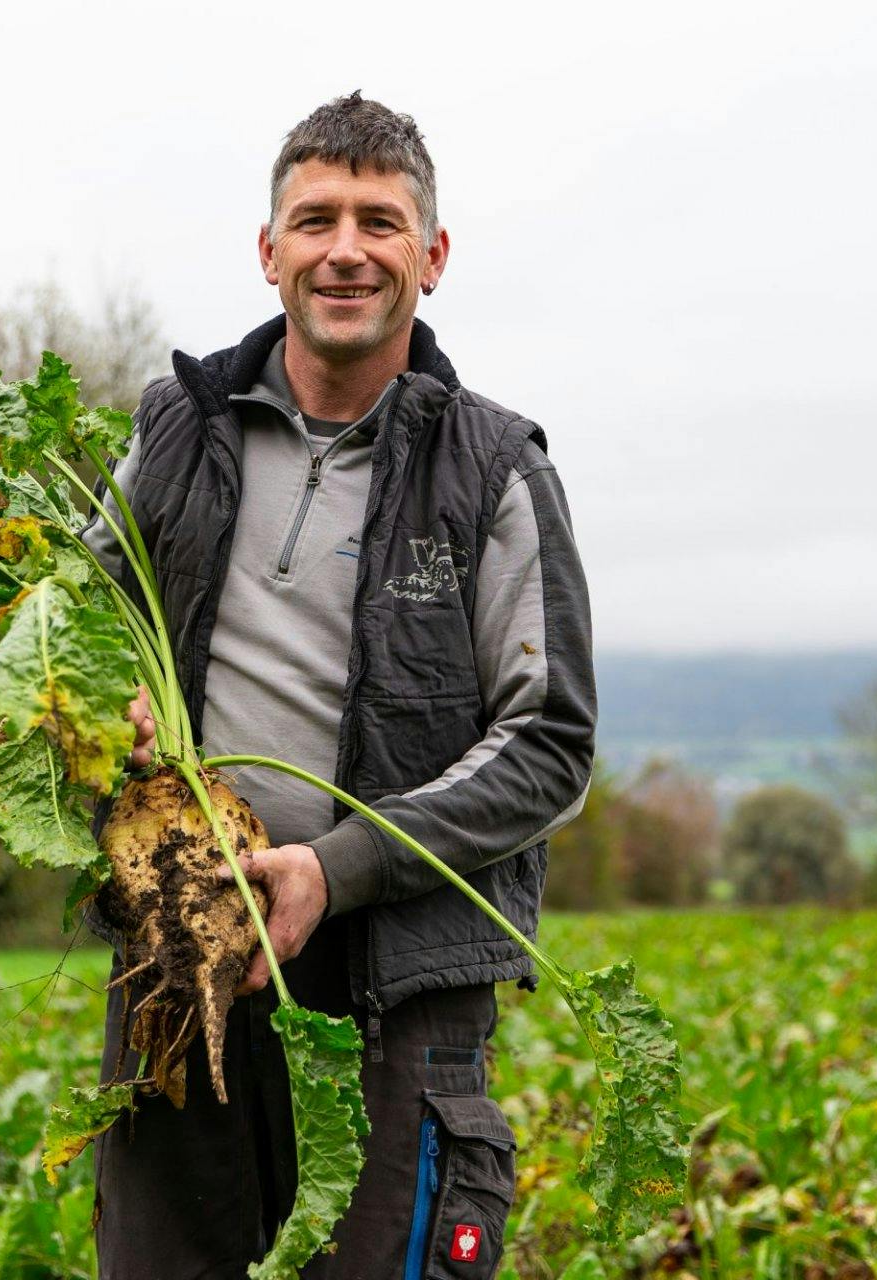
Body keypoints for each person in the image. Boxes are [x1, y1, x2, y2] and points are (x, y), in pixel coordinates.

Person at [84, 91, 595, 1279]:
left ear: (433, 253)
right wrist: (107, 714)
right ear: (269, 252)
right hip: (184, 956)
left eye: (380, 219)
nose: (347, 249)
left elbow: (549, 741)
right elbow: (72, 632)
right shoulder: (173, 431)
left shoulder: (494, 469)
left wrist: (336, 866)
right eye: (316, 219)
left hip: (398, 996)